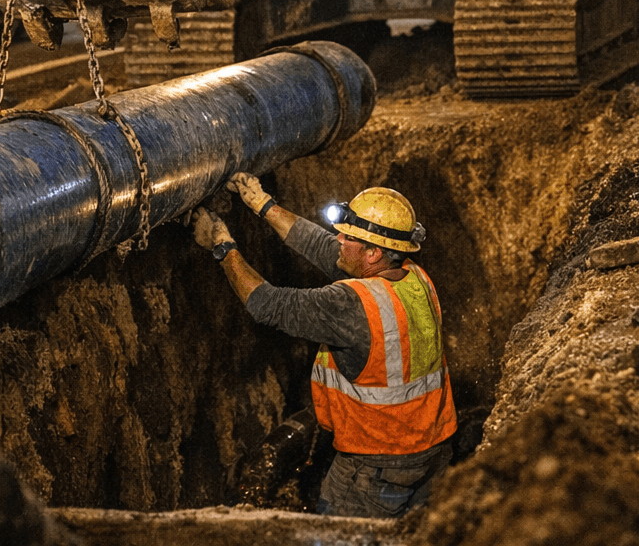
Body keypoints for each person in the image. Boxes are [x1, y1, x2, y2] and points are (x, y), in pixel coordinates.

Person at [192, 173, 457, 518]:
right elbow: (325, 247)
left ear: (374, 253)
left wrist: (222, 246)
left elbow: (267, 304)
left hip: (378, 466)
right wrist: (263, 205)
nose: (339, 238)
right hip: (433, 449)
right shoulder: (413, 276)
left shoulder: (351, 304)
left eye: (349, 237)